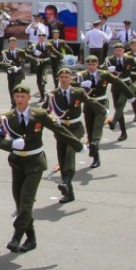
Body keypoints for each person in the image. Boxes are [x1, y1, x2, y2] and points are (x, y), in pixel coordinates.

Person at [0, 84, 82, 253]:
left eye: (23, 96)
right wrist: (11, 144)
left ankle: (17, 236)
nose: (20, 100)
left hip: (35, 162)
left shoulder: (38, 114)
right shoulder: (8, 118)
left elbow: (59, 129)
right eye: (17, 97)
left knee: (26, 199)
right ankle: (31, 239)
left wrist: (77, 145)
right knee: (19, 202)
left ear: (28, 98)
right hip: (17, 162)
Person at [43, 68, 88, 203]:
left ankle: (66, 180)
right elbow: (44, 110)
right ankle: (69, 193)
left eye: (66, 77)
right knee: (62, 159)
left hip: (75, 127)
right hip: (61, 129)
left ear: (71, 79)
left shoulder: (78, 92)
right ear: (58, 78)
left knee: (69, 150)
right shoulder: (53, 94)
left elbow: (90, 102)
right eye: (61, 77)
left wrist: (102, 111)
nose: (63, 79)